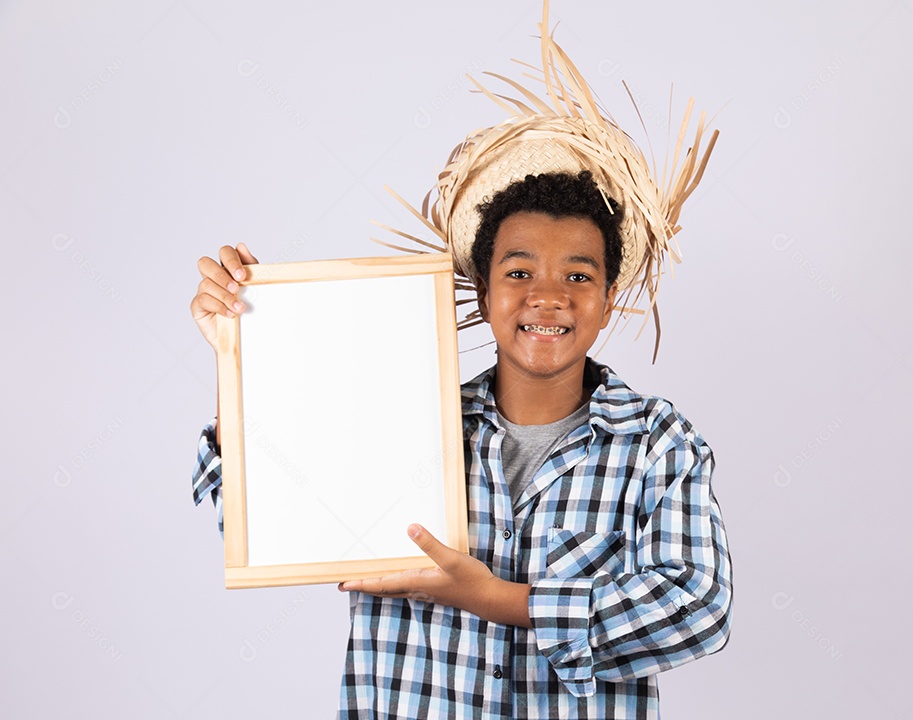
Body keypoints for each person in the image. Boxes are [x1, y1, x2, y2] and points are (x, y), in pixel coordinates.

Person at [189, 7, 731, 718]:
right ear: (481, 291)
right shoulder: (402, 416)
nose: (547, 297)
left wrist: (503, 602)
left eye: (577, 276)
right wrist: (244, 359)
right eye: (518, 273)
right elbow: (264, 521)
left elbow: (697, 606)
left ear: (607, 300)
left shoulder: (658, 444)